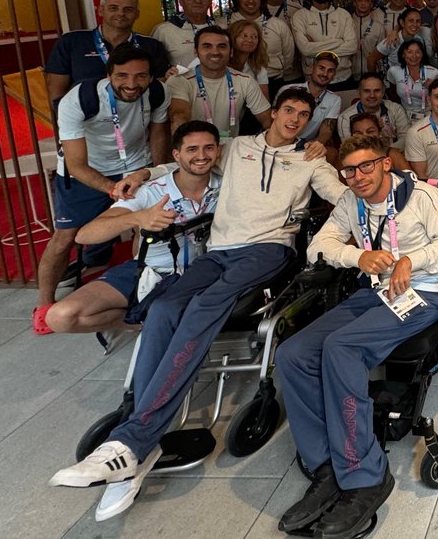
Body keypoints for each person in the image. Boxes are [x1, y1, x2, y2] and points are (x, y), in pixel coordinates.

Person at [49, 88, 345, 520]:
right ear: (274, 112)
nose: (295, 120)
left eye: (304, 114)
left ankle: (132, 440)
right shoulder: (238, 147)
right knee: (164, 308)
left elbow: (340, 193)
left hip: (268, 249)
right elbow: (191, 159)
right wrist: (146, 172)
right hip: (220, 250)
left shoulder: (311, 159)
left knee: (206, 305)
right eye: (288, 111)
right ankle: (137, 453)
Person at [275, 133, 438, 539]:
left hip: (423, 292)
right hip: (373, 291)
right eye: (350, 170)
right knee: (292, 353)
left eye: (366, 166)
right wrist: (357, 256)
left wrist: (410, 259)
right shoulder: (350, 202)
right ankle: (327, 466)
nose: (358, 177)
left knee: (342, 349)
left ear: (385, 164)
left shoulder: (422, 198)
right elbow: (318, 246)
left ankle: (364, 476)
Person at [33, 46, 171, 334]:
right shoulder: (80, 99)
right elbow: (75, 163)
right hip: (87, 172)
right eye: (122, 76)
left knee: (144, 230)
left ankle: (137, 293)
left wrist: (157, 175)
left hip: (135, 166)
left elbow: (159, 133)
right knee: (65, 237)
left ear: (150, 76)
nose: (132, 84)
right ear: (109, 74)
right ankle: (44, 305)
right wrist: (111, 189)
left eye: (140, 76)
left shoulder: (158, 92)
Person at [45, 121, 222, 334]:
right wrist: (138, 218)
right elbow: (85, 235)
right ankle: (138, 323)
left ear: (218, 151)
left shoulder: (228, 183)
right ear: (176, 154)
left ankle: (158, 318)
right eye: (192, 149)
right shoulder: (151, 191)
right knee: (60, 317)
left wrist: (144, 172)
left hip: (204, 271)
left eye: (209, 148)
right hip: (149, 270)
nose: (201, 156)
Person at [44, 0, 170, 108]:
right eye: (113, 8)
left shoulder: (151, 45)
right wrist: (64, 119)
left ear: (137, 14)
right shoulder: (71, 41)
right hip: (86, 120)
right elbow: (56, 88)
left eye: (128, 9)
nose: (121, 13)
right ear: (101, 11)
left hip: (136, 116)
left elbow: (158, 87)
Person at [166, 26, 270, 139]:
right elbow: (179, 116)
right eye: (207, 46)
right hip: (193, 149)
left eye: (222, 46)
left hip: (229, 148)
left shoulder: (245, 81)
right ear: (196, 52)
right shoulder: (179, 80)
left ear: (231, 52)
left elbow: (267, 119)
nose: (215, 52)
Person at [218, 0, 295, 90]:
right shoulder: (222, 24)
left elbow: (288, 56)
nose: (251, 0)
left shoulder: (278, 24)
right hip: (232, 82)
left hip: (272, 81)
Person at [291, 0, 358, 90]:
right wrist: (339, 41)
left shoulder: (343, 15)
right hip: (313, 81)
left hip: (343, 79)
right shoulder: (299, 16)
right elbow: (305, 49)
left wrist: (314, 46)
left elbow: (352, 46)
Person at [285, 52, 343, 151]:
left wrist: (310, 150)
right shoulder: (289, 89)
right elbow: (275, 121)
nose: (325, 74)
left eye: (330, 71)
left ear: (334, 75)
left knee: (332, 152)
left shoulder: (334, 100)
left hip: (306, 145)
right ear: (311, 68)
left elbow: (326, 132)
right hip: (283, 141)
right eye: (321, 68)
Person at [338, 72, 409, 152]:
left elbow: (405, 137)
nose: (372, 95)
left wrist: (388, 151)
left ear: (383, 92)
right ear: (359, 92)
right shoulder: (345, 118)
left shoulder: (396, 109)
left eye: (377, 90)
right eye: (367, 91)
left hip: (393, 154)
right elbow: (349, 148)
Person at [153, 0, 216, 68]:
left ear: (210, 1)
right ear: (180, 1)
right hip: (180, 81)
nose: (197, 1)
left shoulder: (220, 27)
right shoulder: (164, 30)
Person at [387, 39, 438, 124]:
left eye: (418, 52)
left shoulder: (434, 73)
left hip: (428, 115)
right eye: (409, 52)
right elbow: (392, 93)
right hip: (404, 115)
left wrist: (434, 87)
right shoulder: (394, 71)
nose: (414, 56)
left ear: (422, 54)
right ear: (403, 54)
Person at [224, 19, 272, 100]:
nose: (250, 40)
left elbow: (264, 101)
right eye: (244, 36)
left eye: (254, 37)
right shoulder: (217, 62)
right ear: (232, 37)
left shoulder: (258, 67)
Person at [373, 7, 429, 75]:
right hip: (392, 82)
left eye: (418, 21)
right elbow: (371, 60)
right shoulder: (391, 41)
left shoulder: (419, 40)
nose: (415, 24)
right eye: (411, 20)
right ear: (402, 23)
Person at [351, 0, 386, 82]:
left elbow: (382, 52)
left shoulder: (378, 27)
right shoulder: (346, 24)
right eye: (360, 0)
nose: (363, 3)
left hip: (372, 73)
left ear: (371, 5)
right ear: (354, 3)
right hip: (349, 75)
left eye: (367, 1)